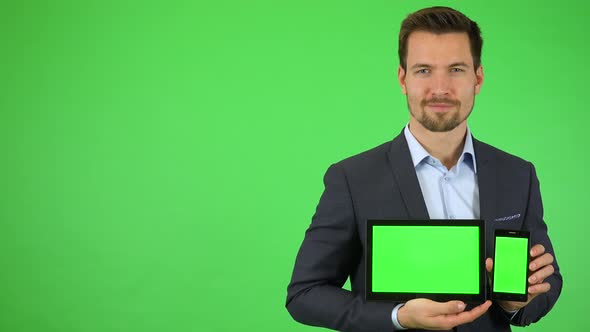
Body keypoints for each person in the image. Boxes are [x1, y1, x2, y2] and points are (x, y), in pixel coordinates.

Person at [285, 6, 562, 332]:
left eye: (456, 69)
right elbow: (305, 294)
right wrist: (398, 316)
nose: (440, 88)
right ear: (403, 79)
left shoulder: (518, 174)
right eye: (424, 70)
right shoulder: (352, 179)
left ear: (478, 77)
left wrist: (517, 303)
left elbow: (548, 280)